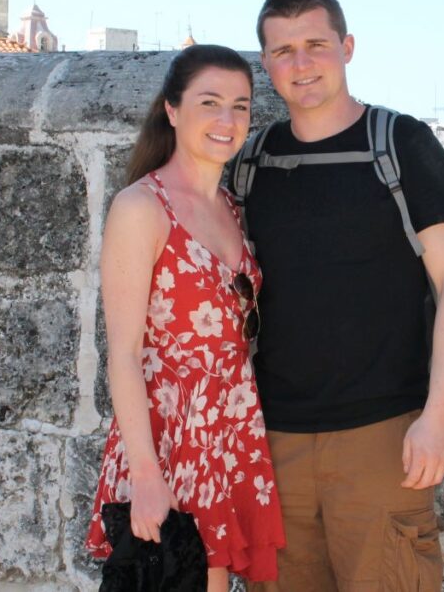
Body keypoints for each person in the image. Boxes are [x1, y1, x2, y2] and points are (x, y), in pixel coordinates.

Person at [238, 0, 444, 591]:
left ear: (346, 47)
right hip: (275, 441)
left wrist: (438, 417)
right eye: (283, 50)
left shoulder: (400, 144)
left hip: (383, 438)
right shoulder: (250, 163)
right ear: (265, 64)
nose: (301, 63)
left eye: (316, 44)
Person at [85, 44, 285, 589]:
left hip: (228, 436)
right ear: (172, 110)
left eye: (241, 106)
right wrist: (147, 476)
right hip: (169, 446)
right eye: (210, 102)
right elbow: (123, 355)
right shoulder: (141, 208)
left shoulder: (234, 210)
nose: (227, 121)